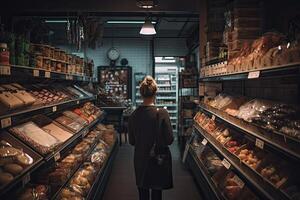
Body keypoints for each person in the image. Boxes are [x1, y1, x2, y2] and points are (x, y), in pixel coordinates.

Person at [128, 75, 174, 200]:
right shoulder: (162, 113)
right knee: (156, 193)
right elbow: (170, 139)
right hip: (157, 159)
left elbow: (131, 141)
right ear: (155, 93)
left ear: (141, 94)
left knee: (142, 193)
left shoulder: (133, 115)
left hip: (140, 159)